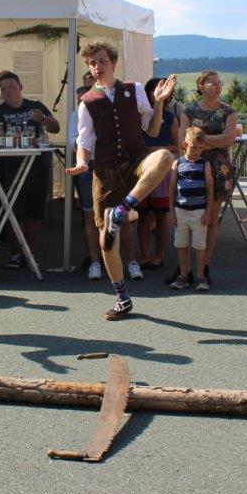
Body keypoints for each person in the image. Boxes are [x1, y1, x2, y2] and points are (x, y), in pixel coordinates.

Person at [68, 41, 177, 320]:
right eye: (92, 63)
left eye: (102, 61)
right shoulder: (87, 102)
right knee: (106, 239)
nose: (97, 67)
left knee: (165, 156)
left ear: (113, 63)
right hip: (106, 172)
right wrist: (81, 162)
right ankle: (122, 298)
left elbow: (153, 130)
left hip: (136, 160)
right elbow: (84, 143)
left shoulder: (135, 89)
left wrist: (159, 102)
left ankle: (123, 209)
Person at [0, 70, 60, 268]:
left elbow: (55, 127)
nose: (8, 92)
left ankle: (29, 253)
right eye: (3, 89)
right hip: (10, 169)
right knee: (12, 213)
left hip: (37, 168)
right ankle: (16, 253)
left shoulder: (35, 106)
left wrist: (42, 120)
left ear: (20, 87)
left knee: (34, 214)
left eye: (11, 87)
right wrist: (21, 141)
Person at [179, 71, 239, 285]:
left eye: (219, 82)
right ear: (201, 86)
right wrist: (215, 140)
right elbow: (182, 141)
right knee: (188, 217)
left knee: (211, 219)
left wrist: (200, 141)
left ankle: (203, 267)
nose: (217, 86)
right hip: (192, 169)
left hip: (218, 171)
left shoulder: (228, 111)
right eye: (212, 83)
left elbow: (229, 139)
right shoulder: (189, 111)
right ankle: (184, 268)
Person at [134, 77, 178, 277]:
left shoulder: (170, 117)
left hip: (162, 169)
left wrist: (159, 148)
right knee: (143, 215)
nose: (158, 93)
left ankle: (159, 256)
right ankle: (143, 256)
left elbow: (177, 146)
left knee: (161, 216)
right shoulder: (139, 116)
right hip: (142, 168)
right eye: (155, 89)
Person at [170, 128, 217, 291]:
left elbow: (210, 189)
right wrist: (172, 211)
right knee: (181, 244)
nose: (197, 151)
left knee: (199, 245)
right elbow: (172, 188)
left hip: (199, 212)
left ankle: (201, 276)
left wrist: (208, 212)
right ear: (185, 145)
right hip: (180, 211)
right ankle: (184, 275)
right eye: (193, 147)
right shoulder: (177, 163)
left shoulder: (205, 164)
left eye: (200, 148)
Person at [67, 76, 104, 280]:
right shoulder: (77, 113)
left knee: (109, 214)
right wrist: (88, 141)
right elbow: (72, 142)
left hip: (106, 164)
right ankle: (93, 259)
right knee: (89, 214)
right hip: (87, 165)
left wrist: (90, 140)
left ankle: (108, 257)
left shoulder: (108, 111)